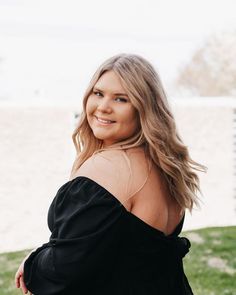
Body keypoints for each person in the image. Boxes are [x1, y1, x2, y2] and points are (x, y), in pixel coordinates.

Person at [15, 53, 207, 295]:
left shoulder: (106, 169)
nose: (103, 107)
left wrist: (33, 265)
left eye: (120, 99)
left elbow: (65, 268)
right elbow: (109, 248)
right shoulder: (164, 166)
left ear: (143, 108)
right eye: (98, 93)